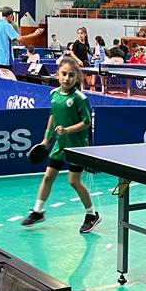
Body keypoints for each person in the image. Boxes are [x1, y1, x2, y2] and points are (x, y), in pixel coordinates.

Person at [21, 56, 101, 233]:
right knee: (48, 176)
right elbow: (52, 116)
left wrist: (67, 130)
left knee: (74, 182)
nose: (67, 78)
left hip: (76, 146)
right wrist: (46, 139)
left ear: (77, 77)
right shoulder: (54, 94)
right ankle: (38, 211)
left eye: (71, 75)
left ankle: (91, 214)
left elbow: (86, 122)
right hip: (60, 144)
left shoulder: (80, 98)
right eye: (64, 74)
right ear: (58, 75)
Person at [0, 6, 44, 79]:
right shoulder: (7, 25)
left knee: (3, 79)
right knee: (9, 80)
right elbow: (19, 39)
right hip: (5, 59)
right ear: (10, 16)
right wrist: (33, 35)